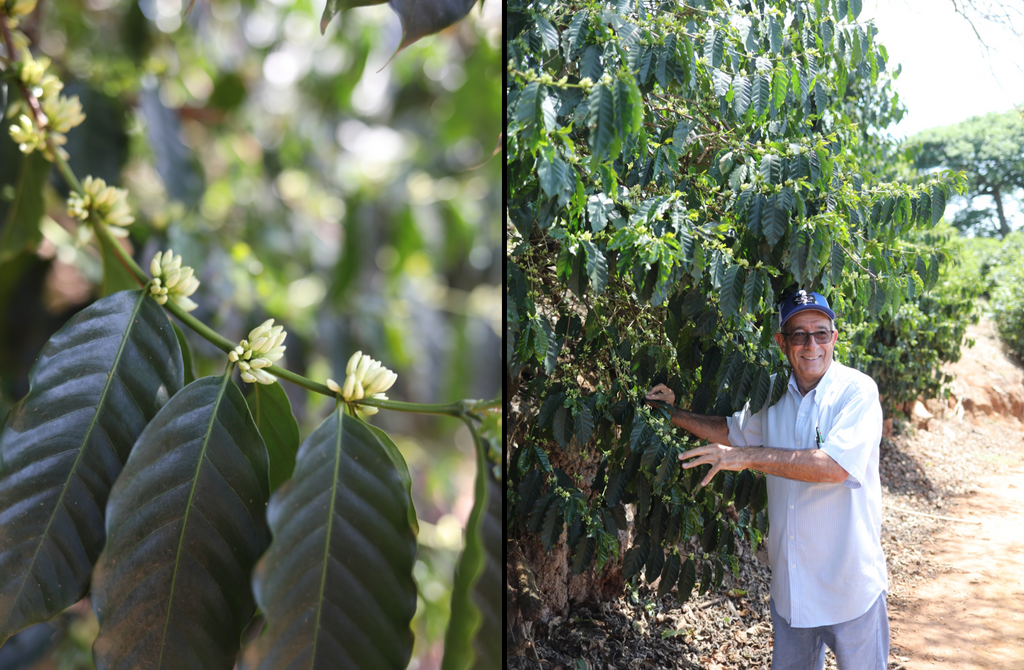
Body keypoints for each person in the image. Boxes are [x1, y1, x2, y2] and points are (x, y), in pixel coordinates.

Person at [645, 289, 888, 670]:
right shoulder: (774, 391)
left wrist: (745, 458)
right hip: (794, 589)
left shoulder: (856, 392)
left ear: (834, 338)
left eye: (821, 333)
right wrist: (674, 414)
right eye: (799, 334)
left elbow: (833, 467)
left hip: (849, 588)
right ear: (781, 341)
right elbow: (732, 432)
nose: (812, 344)